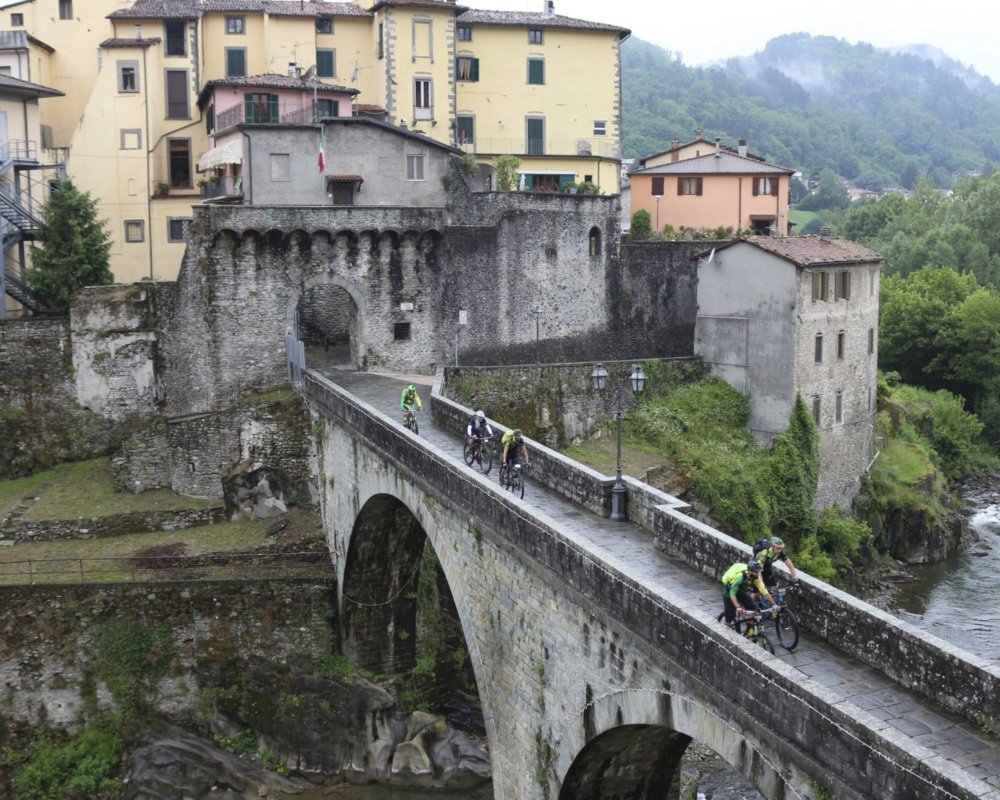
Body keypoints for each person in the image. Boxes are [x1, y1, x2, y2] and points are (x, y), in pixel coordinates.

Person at [720, 560, 775, 628]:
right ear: (749, 571)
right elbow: (732, 593)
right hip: (729, 593)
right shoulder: (740, 578)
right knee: (730, 616)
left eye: (758, 572)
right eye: (756, 572)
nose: (758, 574)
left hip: (740, 591)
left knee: (753, 608)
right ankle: (725, 629)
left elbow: (764, 591)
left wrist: (774, 604)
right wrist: (738, 607)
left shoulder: (756, 578)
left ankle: (749, 628)